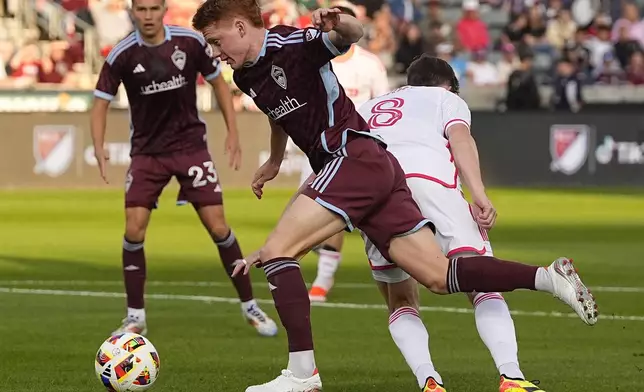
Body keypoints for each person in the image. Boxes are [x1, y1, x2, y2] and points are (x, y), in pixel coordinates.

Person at [192, 2, 598, 391]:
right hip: (374, 168)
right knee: (439, 276)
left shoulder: (292, 44)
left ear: (240, 27)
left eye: (215, 40)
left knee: (279, 251)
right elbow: (277, 111)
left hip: (351, 156)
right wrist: (276, 159)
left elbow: (352, 35)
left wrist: (338, 20)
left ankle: (302, 375)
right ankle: (547, 278)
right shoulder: (245, 75)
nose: (214, 52)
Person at [354, 55, 544, 392]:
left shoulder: (369, 106)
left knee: (400, 299)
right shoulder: (447, 99)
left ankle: (428, 379)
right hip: (430, 183)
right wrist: (480, 194)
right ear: (447, 85)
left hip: (377, 192)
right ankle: (511, 376)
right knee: (482, 282)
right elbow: (460, 140)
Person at [90, 0, 277, 338]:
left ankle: (249, 304)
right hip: (147, 153)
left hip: (191, 149)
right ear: (132, 12)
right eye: (141, 10)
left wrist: (233, 132)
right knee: (134, 229)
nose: (147, 16)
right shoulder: (122, 54)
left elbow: (219, 83)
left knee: (219, 227)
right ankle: (135, 316)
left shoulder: (188, 43)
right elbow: (100, 101)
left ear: (163, 10)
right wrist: (98, 145)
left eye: (153, 9)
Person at [299, 1, 390, 303]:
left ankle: (322, 281)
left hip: (355, 149)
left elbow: (384, 106)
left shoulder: (369, 64)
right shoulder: (314, 56)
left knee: (335, 212)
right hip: (316, 147)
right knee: (304, 221)